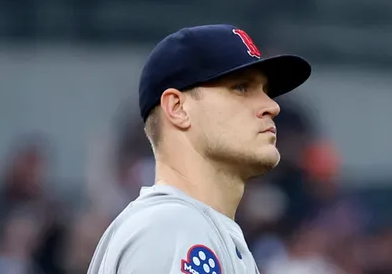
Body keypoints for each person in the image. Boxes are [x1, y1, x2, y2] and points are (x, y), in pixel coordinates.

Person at [87, 24, 312, 274]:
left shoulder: (197, 228)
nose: (272, 106)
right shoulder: (173, 228)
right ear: (178, 108)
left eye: (266, 91)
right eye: (241, 87)